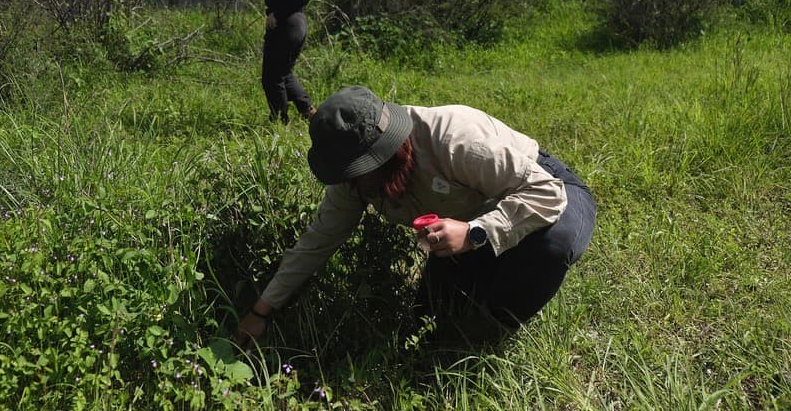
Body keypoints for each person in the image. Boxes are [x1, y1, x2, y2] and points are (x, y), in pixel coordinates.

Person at [235, 85, 596, 349]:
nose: (359, 182)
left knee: (552, 246)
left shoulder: (455, 139)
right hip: (469, 218)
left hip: (544, 185)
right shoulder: (353, 176)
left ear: (387, 148)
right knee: (429, 317)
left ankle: (493, 331)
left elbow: (547, 193)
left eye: (364, 169)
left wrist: (475, 233)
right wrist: (261, 311)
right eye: (350, 172)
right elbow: (318, 241)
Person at [244, 0, 315, 123]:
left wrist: (278, 14)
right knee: (283, 73)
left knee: (272, 78)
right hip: (295, 24)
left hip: (288, 26)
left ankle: (279, 123)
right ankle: (309, 112)